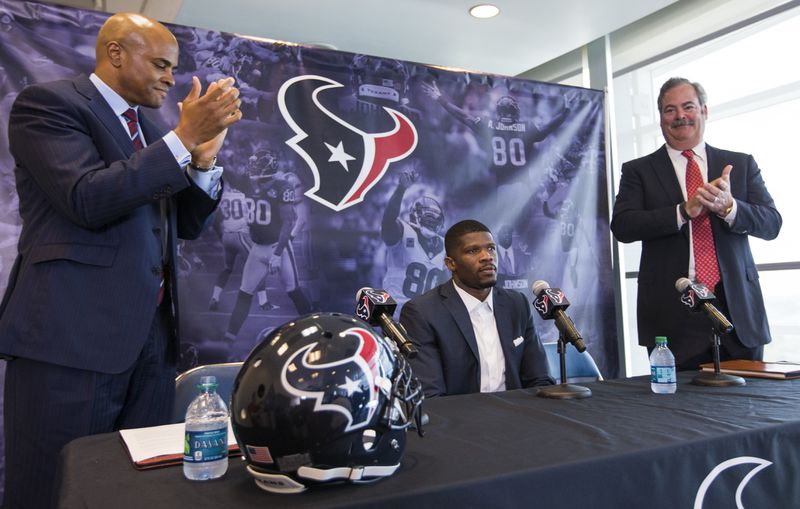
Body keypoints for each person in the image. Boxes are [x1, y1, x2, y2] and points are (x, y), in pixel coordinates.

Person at [0, 13, 242, 508]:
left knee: (135, 488)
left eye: (173, 68)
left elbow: (185, 226)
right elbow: (86, 199)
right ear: (115, 54)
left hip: (149, 344)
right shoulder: (48, 105)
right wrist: (180, 140)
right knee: (51, 486)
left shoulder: (151, 132)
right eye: (159, 64)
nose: (170, 78)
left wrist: (202, 161)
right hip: (69, 341)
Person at [611, 77, 781, 371]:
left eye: (688, 107)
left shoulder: (740, 164)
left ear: (704, 110)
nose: (680, 116)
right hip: (674, 314)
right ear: (661, 118)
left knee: (749, 411)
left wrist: (729, 207)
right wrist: (682, 211)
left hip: (737, 312)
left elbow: (771, 224)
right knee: (678, 412)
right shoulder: (638, 171)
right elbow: (623, 226)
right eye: (669, 110)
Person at [399, 219, 554, 397]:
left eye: (491, 248)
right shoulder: (422, 312)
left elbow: (540, 379)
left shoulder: (517, 304)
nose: (487, 256)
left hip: (517, 415)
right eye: (473, 251)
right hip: (459, 419)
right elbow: (430, 396)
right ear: (451, 264)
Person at [380, 166, 447, 307]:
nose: (431, 221)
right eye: (428, 217)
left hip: (427, 316)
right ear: (415, 216)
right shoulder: (403, 233)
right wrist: (401, 189)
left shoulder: (445, 245)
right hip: (397, 313)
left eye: (434, 218)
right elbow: (388, 220)